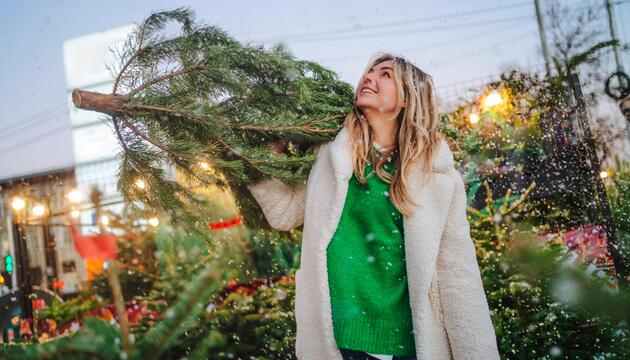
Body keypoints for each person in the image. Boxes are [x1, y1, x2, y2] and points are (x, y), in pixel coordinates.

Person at [247, 53, 500, 360]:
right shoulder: (330, 156)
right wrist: (258, 158)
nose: (369, 77)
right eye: (368, 72)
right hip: (341, 340)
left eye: (385, 75)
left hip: (410, 344)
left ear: (408, 97)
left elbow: (458, 275)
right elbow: (284, 213)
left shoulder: (437, 177)